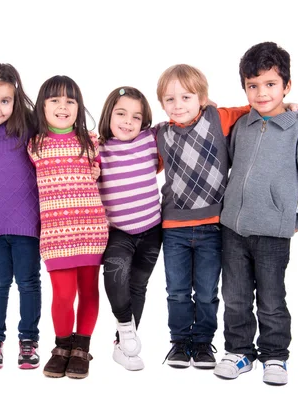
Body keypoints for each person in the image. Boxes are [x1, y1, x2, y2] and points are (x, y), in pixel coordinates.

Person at [155, 64, 298, 370]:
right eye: (170, 100)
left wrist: (291, 106)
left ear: (202, 98)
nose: (178, 105)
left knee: (208, 290)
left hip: (214, 226)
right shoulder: (160, 133)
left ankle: (202, 342)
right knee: (176, 290)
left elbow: (259, 108)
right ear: (161, 104)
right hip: (173, 227)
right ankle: (179, 341)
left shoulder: (219, 117)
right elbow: (138, 159)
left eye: (186, 97)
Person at [213, 42, 298, 386]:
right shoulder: (242, 125)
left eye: (270, 84)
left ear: (287, 86)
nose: (261, 92)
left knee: (271, 299)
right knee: (235, 297)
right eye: (252, 86)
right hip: (232, 229)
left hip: (272, 234)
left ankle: (275, 356)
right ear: (244, 88)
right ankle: (239, 352)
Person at [28, 75, 109, 379]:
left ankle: (81, 347)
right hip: (55, 234)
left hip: (91, 230)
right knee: (63, 295)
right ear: (42, 106)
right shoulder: (33, 144)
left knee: (88, 290)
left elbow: (116, 168)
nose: (63, 106)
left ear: (79, 106)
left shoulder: (91, 142)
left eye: (70, 101)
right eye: (55, 100)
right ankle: (62, 345)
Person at [0, 62, 42, 370]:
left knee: (28, 281)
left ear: (16, 99)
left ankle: (28, 340)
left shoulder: (28, 128)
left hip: (27, 222)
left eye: (5, 101)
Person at [97, 87, 163, 371]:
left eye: (136, 117)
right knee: (115, 278)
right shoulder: (96, 148)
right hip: (118, 231)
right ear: (109, 114)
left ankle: (121, 348)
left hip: (152, 229)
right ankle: (125, 324)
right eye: (121, 113)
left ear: (144, 122)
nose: (128, 121)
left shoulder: (151, 139)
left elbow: (189, 117)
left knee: (138, 285)